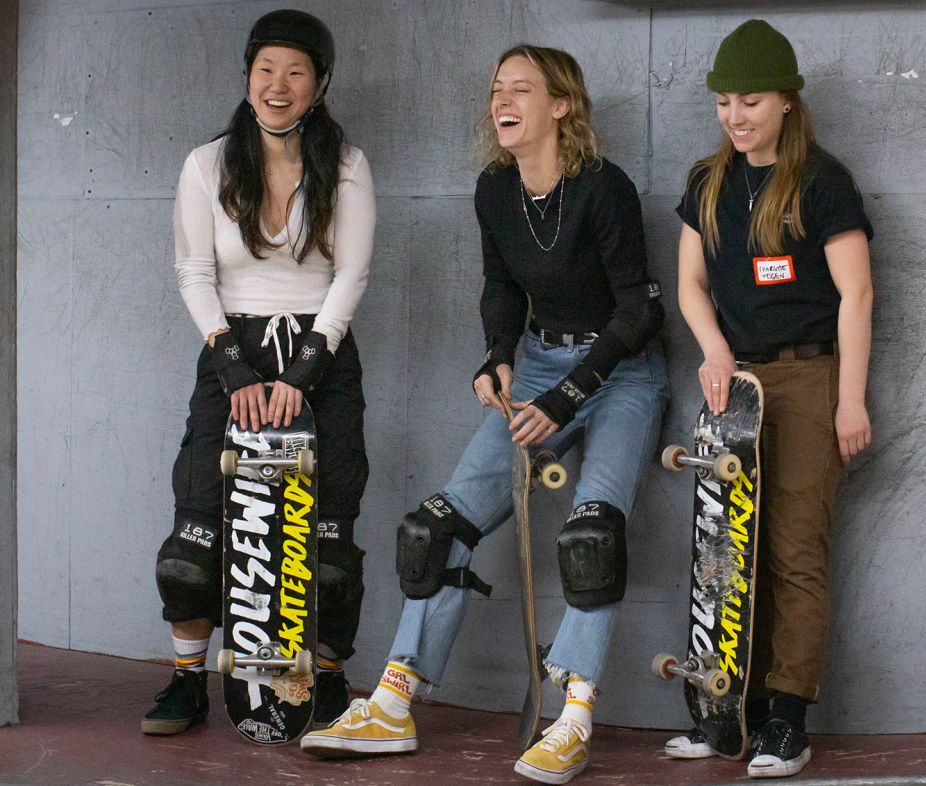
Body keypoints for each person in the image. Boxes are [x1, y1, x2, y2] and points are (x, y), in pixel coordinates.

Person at [300, 44, 667, 785]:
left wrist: (567, 397)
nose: (503, 99)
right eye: (498, 88)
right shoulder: (495, 190)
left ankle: (574, 719)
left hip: (621, 370)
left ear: (561, 106)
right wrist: (495, 357)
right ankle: (395, 703)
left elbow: (637, 314)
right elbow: (500, 288)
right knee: (435, 528)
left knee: (591, 538)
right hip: (536, 362)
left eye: (522, 89)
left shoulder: (604, 189)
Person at [141, 9, 375, 736]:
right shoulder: (206, 165)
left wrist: (301, 373)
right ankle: (188, 682)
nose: (279, 85)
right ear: (247, 78)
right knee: (195, 537)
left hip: (323, 351)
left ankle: (327, 685)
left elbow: (352, 273)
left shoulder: (346, 165)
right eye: (266, 69)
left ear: (320, 84)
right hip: (230, 346)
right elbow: (192, 270)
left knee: (329, 545)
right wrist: (235, 369)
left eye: (296, 71)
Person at [667, 19, 874, 779]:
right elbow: (690, 284)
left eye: (750, 100)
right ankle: (727, 712)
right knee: (725, 554)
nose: (735, 115)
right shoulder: (707, 180)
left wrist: (849, 401)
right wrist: (714, 350)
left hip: (807, 376)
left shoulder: (822, 182)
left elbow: (857, 295)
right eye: (724, 101)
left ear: (787, 101)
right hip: (735, 384)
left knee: (793, 552)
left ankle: (787, 720)